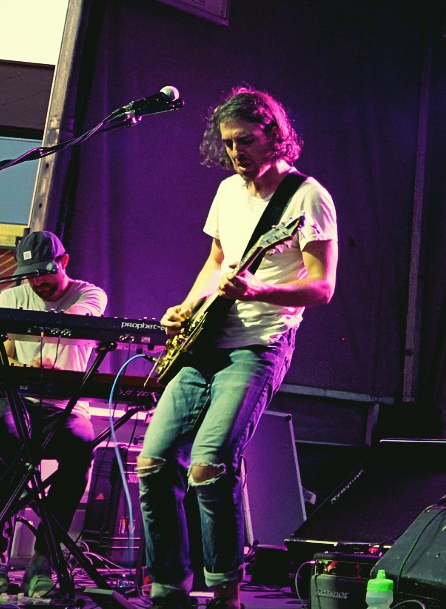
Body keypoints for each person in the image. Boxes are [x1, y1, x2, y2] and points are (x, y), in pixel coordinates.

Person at [138, 87, 338, 609]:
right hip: (205, 339)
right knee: (152, 463)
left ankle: (226, 592)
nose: (235, 152)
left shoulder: (307, 197)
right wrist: (187, 306)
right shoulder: (228, 191)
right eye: (228, 143)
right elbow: (216, 260)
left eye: (245, 141)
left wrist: (259, 289)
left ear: (275, 134)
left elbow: (322, 287)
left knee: (208, 466)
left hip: (259, 344)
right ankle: (169, 589)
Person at [0, 230, 107, 597]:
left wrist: (49, 341)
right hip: (16, 398)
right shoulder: (11, 296)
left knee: (80, 450)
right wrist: (20, 365)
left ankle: (43, 558)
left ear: (63, 262)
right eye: (30, 274)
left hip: (65, 406)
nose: (37, 282)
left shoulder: (89, 294)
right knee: (8, 436)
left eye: (44, 272)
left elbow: (75, 318)